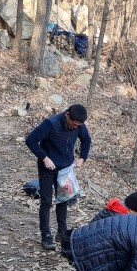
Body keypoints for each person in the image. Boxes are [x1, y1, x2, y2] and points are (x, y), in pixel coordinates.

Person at [25, 104, 92, 251]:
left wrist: (82, 158)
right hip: (47, 167)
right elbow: (30, 140)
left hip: (66, 168)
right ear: (67, 114)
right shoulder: (51, 123)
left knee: (63, 200)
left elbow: (86, 140)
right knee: (46, 201)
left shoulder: (79, 126)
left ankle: (61, 232)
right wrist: (44, 158)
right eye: (73, 124)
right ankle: (46, 235)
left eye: (78, 126)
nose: (75, 128)